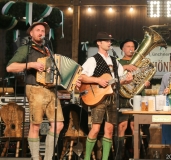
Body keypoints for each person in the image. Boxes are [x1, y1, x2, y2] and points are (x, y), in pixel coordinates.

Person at [6, 22, 82, 160]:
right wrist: (31, 64)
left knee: (58, 125)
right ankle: (36, 158)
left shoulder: (48, 51)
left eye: (43, 31)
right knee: (35, 125)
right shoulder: (26, 49)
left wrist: (72, 81)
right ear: (31, 33)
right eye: (38, 30)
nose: (41, 32)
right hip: (35, 89)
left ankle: (47, 158)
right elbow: (10, 67)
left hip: (51, 91)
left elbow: (59, 74)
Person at [80, 32, 133, 160]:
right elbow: (81, 76)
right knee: (96, 128)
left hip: (113, 96)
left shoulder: (115, 61)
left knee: (109, 130)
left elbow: (118, 80)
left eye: (110, 41)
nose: (109, 43)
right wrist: (98, 80)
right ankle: (87, 158)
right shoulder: (93, 59)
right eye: (106, 41)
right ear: (99, 43)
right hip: (97, 97)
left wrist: (127, 79)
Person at [114, 39, 150, 160]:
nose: (130, 48)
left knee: (136, 126)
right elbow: (112, 75)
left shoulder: (140, 62)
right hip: (122, 97)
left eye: (133, 46)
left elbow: (144, 75)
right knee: (122, 126)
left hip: (137, 96)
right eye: (128, 46)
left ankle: (136, 155)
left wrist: (145, 82)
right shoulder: (117, 62)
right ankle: (119, 156)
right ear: (122, 49)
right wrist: (124, 66)